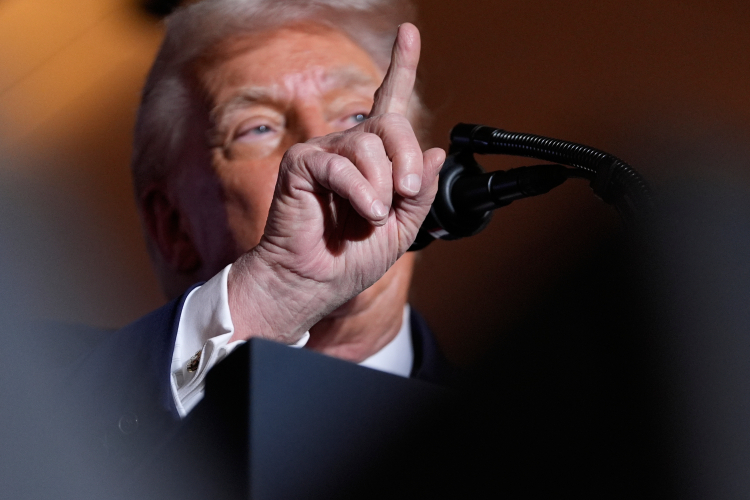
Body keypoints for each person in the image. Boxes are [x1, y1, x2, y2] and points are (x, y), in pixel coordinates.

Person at [61, 0, 451, 477]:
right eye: (258, 128)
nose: (330, 153)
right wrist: (269, 300)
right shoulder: (29, 389)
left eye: (356, 116)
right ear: (175, 227)